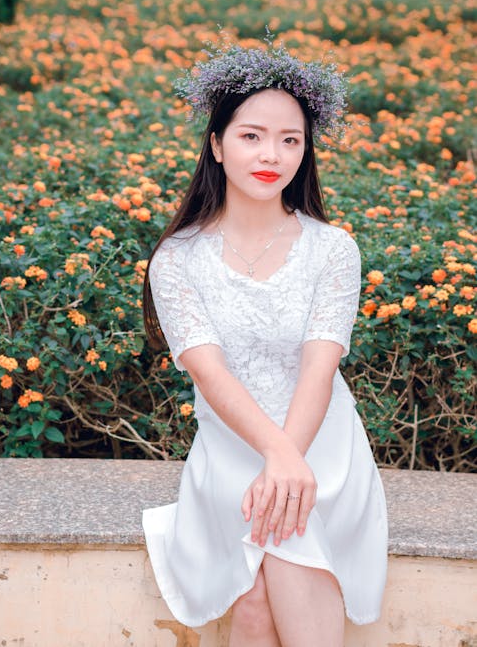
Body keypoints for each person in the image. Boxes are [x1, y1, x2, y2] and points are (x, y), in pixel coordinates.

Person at [142, 43, 388, 646]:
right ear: (216, 144)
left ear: (305, 151)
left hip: (322, 442)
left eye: (290, 140)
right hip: (232, 446)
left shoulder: (333, 249)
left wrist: (289, 460)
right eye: (252, 136)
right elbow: (211, 374)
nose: (271, 155)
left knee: (282, 553)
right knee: (253, 602)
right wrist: (275, 456)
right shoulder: (176, 260)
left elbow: (320, 367)